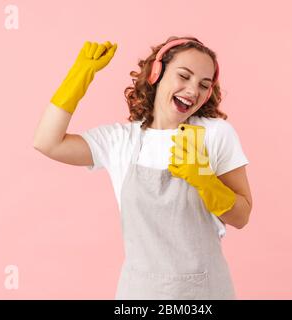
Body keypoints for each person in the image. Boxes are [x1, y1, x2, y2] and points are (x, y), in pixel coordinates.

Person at [33, 36, 253, 299]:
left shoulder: (215, 134)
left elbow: (241, 217)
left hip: (204, 293)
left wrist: (206, 181)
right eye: (184, 76)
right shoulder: (121, 141)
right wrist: (80, 76)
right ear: (156, 74)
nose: (193, 90)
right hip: (140, 294)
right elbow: (48, 142)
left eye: (204, 85)